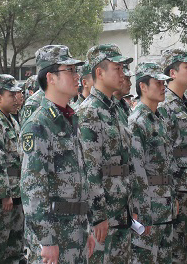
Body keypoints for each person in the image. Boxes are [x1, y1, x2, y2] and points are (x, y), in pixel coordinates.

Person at [20, 45, 93, 263]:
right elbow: (33, 187)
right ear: (50, 78)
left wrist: (86, 227)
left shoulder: (70, 119)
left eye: (75, 70)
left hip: (76, 231)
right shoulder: (39, 124)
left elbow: (80, 179)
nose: (76, 76)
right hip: (55, 236)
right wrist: (47, 240)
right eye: (69, 70)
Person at [76, 44, 134, 263]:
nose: (122, 74)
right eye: (117, 68)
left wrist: (132, 206)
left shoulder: (117, 109)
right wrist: (98, 215)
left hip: (122, 208)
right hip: (104, 213)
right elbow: (90, 168)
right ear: (99, 72)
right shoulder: (89, 111)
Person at [157, 48, 187, 264]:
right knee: (177, 249)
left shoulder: (186, 102)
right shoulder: (165, 105)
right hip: (180, 188)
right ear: (172, 73)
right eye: (186, 67)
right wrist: (172, 193)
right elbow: (165, 154)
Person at [128, 62, 175, 263]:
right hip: (148, 207)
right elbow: (136, 170)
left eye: (164, 83)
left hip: (164, 203)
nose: (163, 87)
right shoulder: (136, 121)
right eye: (158, 83)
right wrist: (142, 211)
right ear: (143, 87)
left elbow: (167, 163)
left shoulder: (159, 119)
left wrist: (173, 196)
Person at [0, 74, 26, 264]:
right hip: (3, 198)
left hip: (16, 192)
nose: (16, 99)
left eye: (17, 94)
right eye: (11, 95)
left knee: (15, 246)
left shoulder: (12, 121)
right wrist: (4, 194)